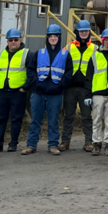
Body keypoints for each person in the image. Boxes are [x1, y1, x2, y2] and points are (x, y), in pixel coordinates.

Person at [22, 24, 72, 155]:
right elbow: (31, 70)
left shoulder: (65, 54)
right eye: (51, 36)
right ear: (47, 37)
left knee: (53, 121)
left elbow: (68, 73)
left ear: (59, 38)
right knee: (35, 121)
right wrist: (35, 83)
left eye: (56, 36)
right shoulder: (39, 53)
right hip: (38, 92)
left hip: (55, 94)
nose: (53, 38)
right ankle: (31, 145)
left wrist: (60, 85)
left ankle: (53, 145)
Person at [0, 28, 31, 153]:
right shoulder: (0, 54)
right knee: (0, 118)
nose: (13, 42)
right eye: (10, 40)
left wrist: (25, 87)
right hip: (2, 92)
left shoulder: (27, 54)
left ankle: (13, 144)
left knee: (16, 119)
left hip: (18, 92)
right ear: (7, 41)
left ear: (20, 40)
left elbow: (32, 73)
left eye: (16, 40)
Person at [60, 20, 94, 152]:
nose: (84, 33)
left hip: (86, 88)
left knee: (86, 116)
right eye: (81, 31)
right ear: (77, 33)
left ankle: (88, 142)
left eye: (86, 31)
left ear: (89, 32)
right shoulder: (68, 48)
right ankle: (65, 141)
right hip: (70, 87)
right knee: (68, 115)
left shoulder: (95, 49)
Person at [85, 28, 108, 156]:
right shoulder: (94, 56)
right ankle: (96, 144)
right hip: (97, 93)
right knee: (97, 120)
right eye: (106, 40)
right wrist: (88, 95)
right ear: (102, 41)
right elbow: (88, 77)